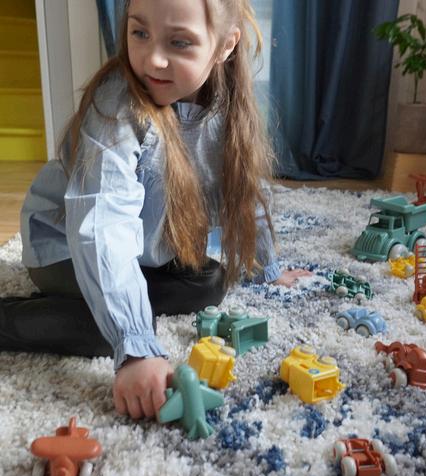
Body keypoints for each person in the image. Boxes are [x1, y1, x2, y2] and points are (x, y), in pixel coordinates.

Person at [0, 0, 311, 420]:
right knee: (107, 334)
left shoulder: (228, 106)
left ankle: (113, 299)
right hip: (64, 247)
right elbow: (102, 225)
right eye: (139, 33)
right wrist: (134, 349)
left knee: (210, 282)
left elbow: (245, 193)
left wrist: (267, 267)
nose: (152, 60)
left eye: (179, 42)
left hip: (145, 248)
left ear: (225, 46)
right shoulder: (117, 105)